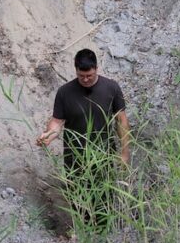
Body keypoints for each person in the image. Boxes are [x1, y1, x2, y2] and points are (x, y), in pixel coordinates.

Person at [36, 49, 130, 231]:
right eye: (81, 76)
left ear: (96, 68)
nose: (85, 79)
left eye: (89, 75)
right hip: (75, 158)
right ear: (75, 70)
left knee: (104, 198)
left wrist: (124, 152)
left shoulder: (111, 88)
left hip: (104, 156)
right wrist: (48, 135)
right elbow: (57, 122)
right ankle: (83, 234)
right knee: (78, 200)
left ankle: (103, 236)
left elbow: (122, 121)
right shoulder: (65, 92)